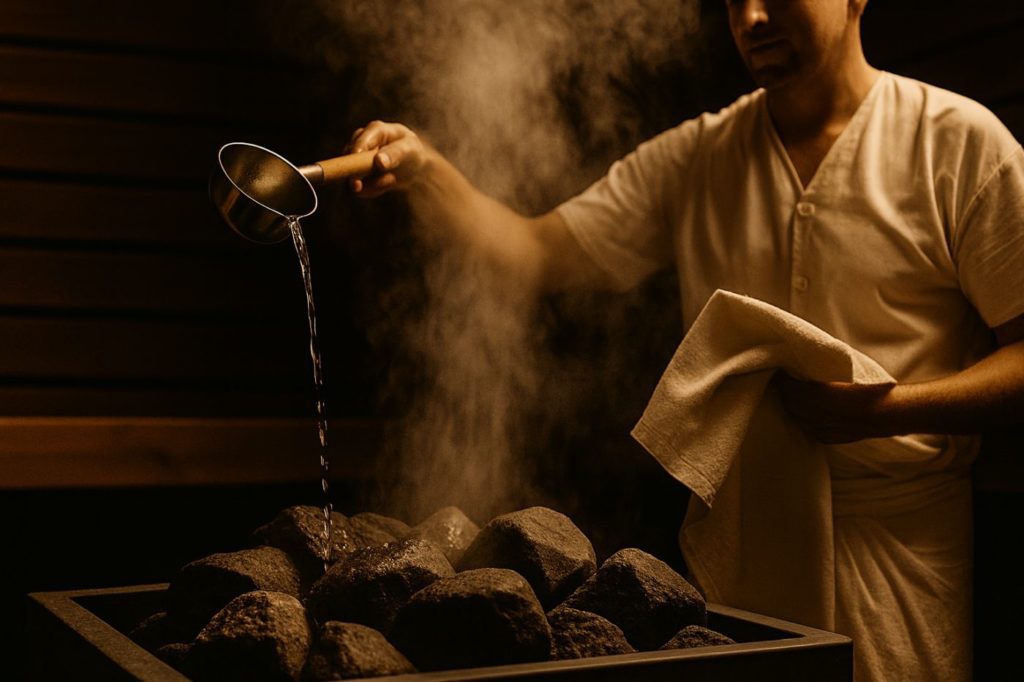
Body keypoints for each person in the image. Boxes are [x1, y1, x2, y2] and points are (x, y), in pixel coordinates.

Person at [346, 0, 1024, 679]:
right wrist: (428, 170)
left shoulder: (958, 142)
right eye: (733, 2)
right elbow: (534, 253)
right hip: (747, 543)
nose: (752, 18)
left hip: (903, 553)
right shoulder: (699, 154)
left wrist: (889, 409)